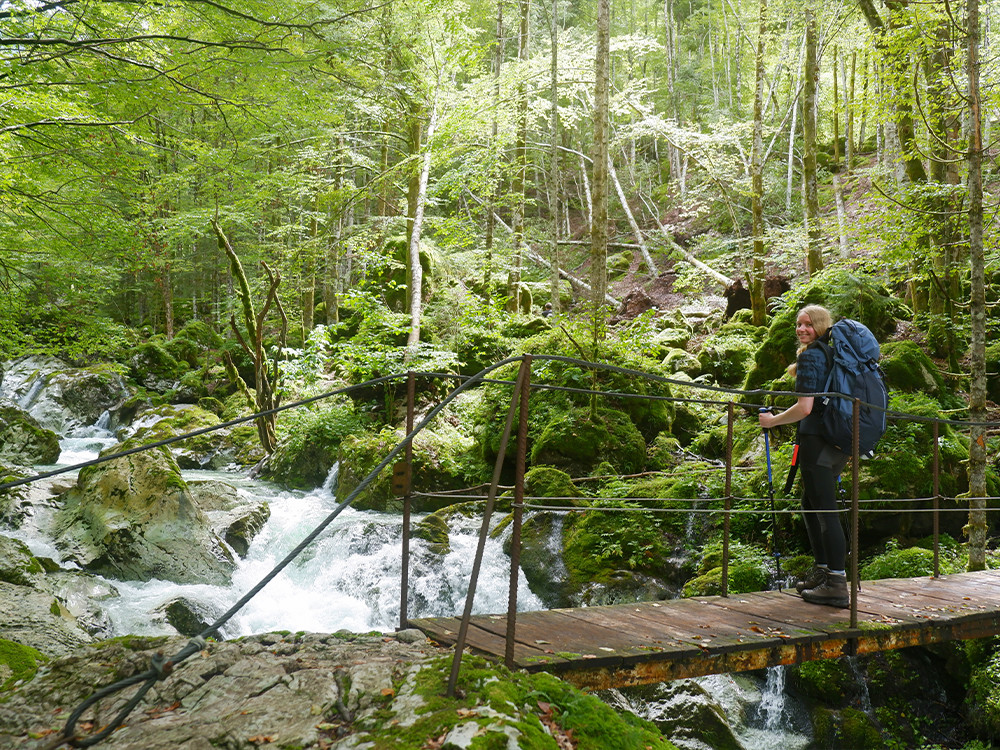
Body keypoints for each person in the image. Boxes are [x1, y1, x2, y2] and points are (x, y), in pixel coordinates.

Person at [758, 304, 850, 608]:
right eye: (799, 324)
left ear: (821, 327)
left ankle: (836, 583)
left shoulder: (812, 355)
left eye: (808, 325)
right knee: (811, 503)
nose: (801, 329)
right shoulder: (833, 353)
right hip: (838, 440)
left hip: (817, 440)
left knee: (824, 509)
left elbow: (805, 408)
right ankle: (824, 572)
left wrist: (772, 421)